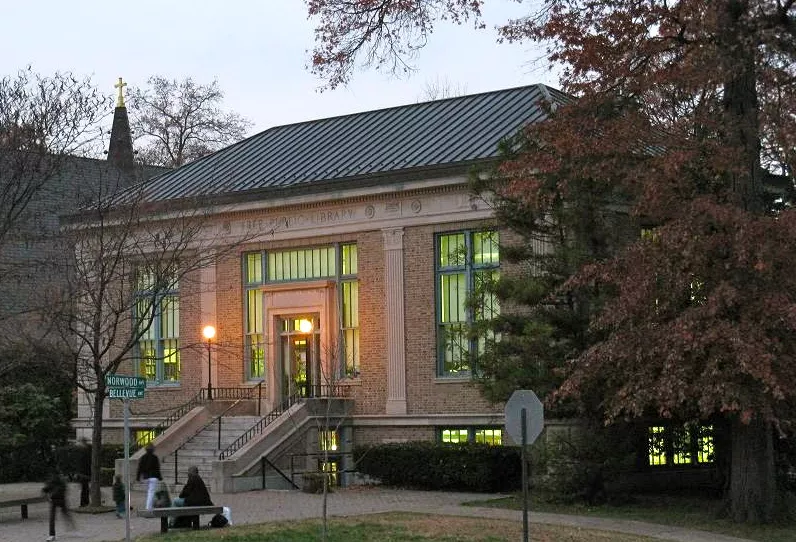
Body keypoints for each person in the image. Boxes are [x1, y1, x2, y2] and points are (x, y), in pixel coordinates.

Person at [42, 470, 76, 541]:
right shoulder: (56, 481)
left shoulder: (59, 482)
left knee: (61, 514)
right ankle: (52, 534)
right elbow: (45, 489)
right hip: (56, 500)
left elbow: (46, 490)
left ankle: (71, 526)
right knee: (54, 517)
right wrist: (47, 495)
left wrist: (48, 495)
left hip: (59, 500)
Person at [135, 443, 162, 510]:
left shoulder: (143, 457)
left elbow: (140, 468)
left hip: (146, 477)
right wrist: (160, 477)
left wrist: (138, 477)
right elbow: (157, 468)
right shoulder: (155, 457)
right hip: (153, 477)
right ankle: (149, 507)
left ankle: (151, 505)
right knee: (151, 492)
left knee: (149, 491)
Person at [77, 438, 91, 507]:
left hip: (83, 474)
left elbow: (82, 464)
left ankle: (84, 503)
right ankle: (85, 502)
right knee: (85, 488)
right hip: (84, 474)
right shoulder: (86, 451)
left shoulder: (83, 452)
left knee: (84, 489)